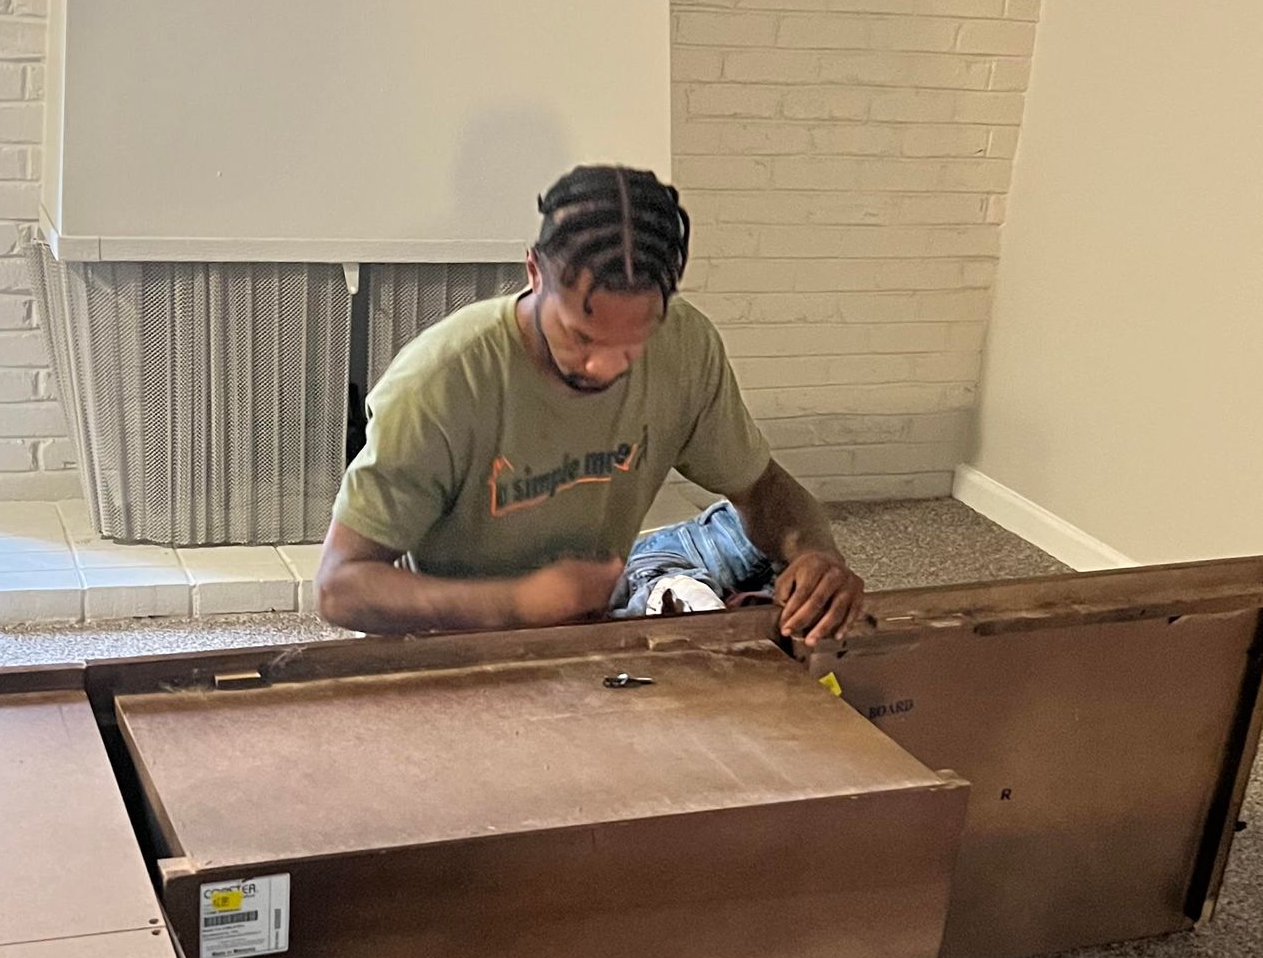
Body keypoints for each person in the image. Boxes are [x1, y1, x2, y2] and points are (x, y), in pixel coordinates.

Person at [316, 164, 865, 642]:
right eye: (581, 335)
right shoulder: (439, 384)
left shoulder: (686, 346)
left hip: (593, 629)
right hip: (457, 647)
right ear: (534, 275)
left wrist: (817, 553)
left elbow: (762, 488)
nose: (604, 367)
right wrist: (516, 604)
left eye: (633, 342)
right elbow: (341, 588)